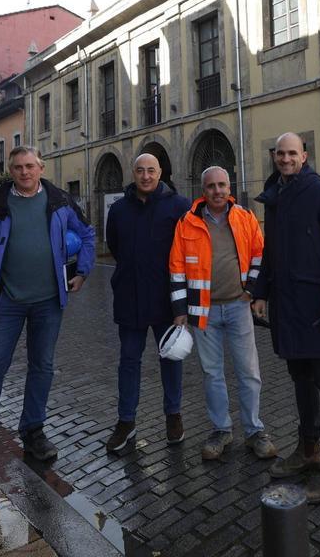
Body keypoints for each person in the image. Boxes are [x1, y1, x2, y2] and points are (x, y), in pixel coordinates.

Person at [0, 145, 96, 488]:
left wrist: (82, 271)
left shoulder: (59, 201)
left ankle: (33, 432)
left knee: (42, 366)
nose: (24, 172)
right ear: (10, 170)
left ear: (40, 168)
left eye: (30, 166)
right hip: (6, 303)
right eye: (17, 167)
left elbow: (87, 234)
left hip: (48, 301)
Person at [251, 132, 320, 503]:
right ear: (275, 156)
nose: (286, 158)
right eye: (280, 153)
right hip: (287, 304)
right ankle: (309, 448)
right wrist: (261, 292)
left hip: (318, 305)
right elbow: (271, 251)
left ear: (304, 156)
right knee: (300, 377)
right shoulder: (275, 194)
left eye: (292, 153)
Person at [170, 166, 276, 461]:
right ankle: (221, 430)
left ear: (230, 188)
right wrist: (180, 312)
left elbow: (259, 254)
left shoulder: (245, 218)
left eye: (222, 185)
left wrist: (253, 290)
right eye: (211, 186)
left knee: (249, 372)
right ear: (202, 191)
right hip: (203, 312)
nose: (217, 191)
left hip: (239, 307)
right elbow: (177, 268)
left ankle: (255, 431)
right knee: (212, 374)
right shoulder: (187, 223)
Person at [103, 153, 192, 454]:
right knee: (129, 362)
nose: (145, 176)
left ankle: (174, 415)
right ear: (134, 172)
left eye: (151, 171)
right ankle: (126, 422)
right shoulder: (118, 209)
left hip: (167, 300)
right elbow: (114, 245)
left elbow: (189, 248)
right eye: (140, 170)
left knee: (171, 359)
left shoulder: (179, 206)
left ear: (161, 172)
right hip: (129, 297)